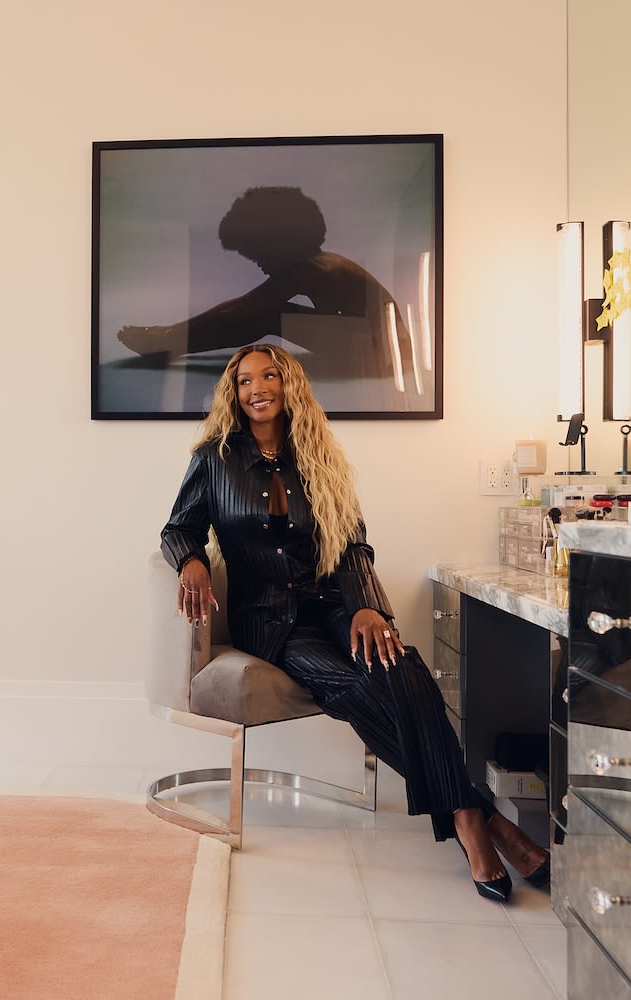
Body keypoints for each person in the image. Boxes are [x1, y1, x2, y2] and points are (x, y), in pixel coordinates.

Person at [159, 343, 549, 901]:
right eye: (244, 380)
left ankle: (474, 818)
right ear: (234, 392)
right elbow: (178, 528)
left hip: (333, 602)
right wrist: (191, 561)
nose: (257, 388)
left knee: (399, 665)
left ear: (288, 384)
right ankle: (478, 819)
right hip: (269, 620)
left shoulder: (318, 456)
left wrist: (368, 607)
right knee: (354, 684)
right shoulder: (213, 458)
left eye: (269, 376)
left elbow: (352, 545)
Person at [118, 187, 414, 382]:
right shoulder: (319, 263)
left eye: (257, 255)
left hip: (384, 355)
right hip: (381, 349)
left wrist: (168, 334)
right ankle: (169, 346)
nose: (258, 264)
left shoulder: (313, 269)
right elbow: (245, 307)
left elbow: (245, 307)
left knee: (267, 315)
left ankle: (168, 346)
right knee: (266, 313)